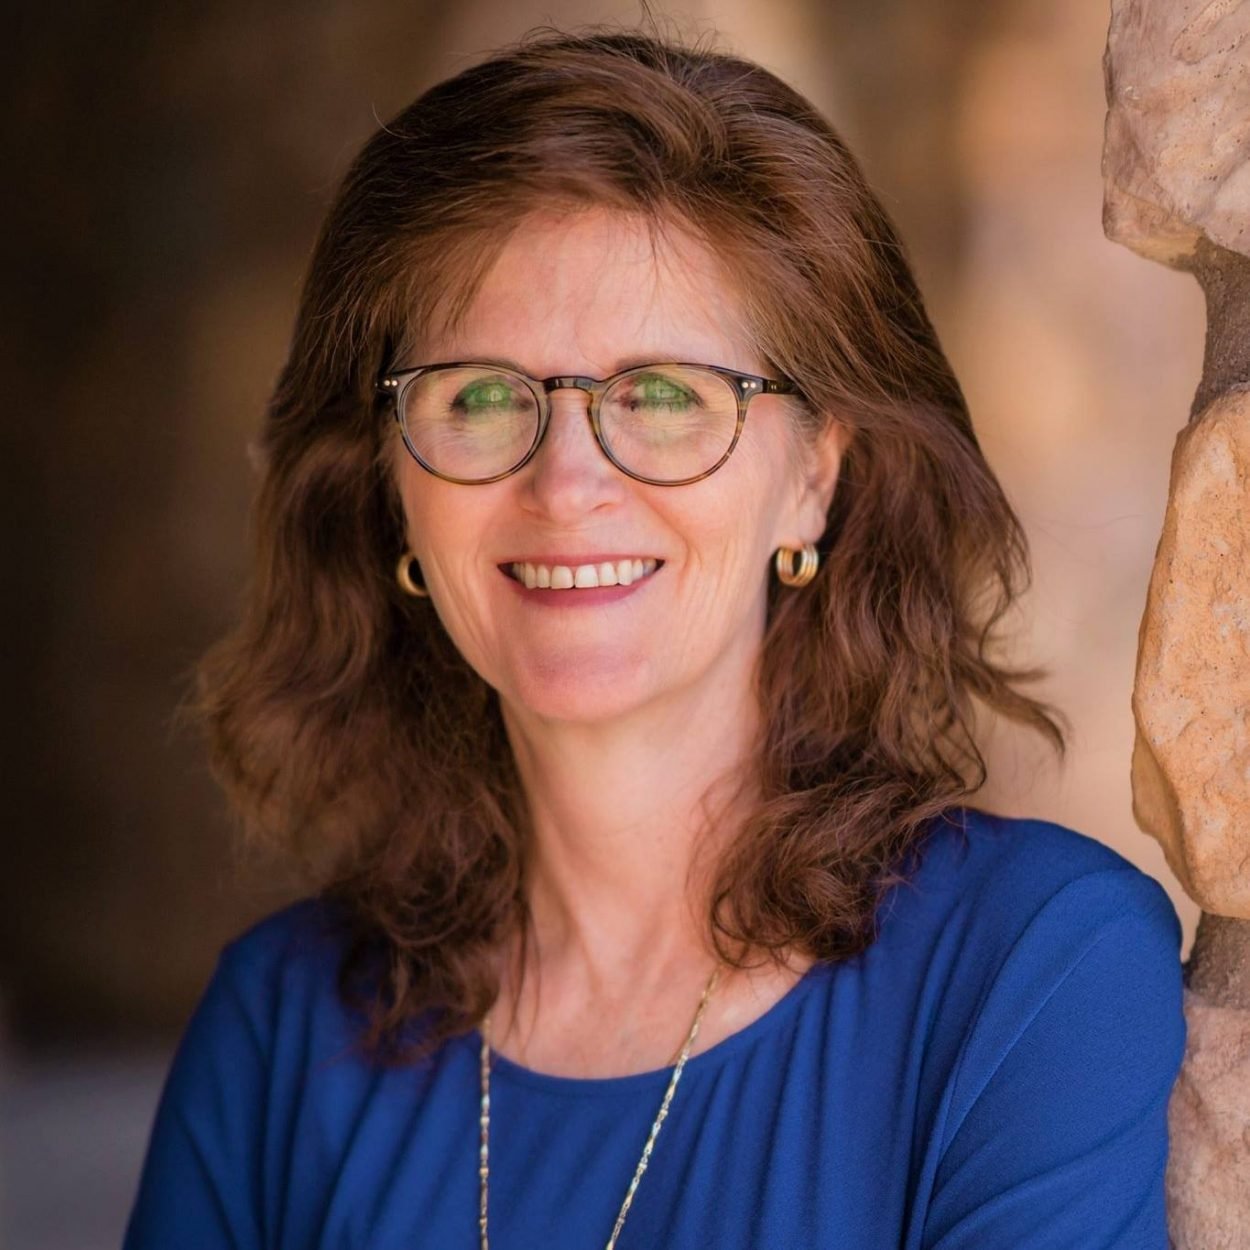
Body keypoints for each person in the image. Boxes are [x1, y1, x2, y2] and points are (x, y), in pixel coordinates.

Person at [123, 28, 1186, 1250]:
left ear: (812, 478)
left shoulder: (1033, 970)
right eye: (478, 396)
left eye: (666, 394)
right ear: (390, 488)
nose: (566, 484)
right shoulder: (277, 1029)